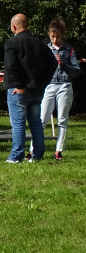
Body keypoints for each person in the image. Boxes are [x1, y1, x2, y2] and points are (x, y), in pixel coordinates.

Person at [4, 13, 55, 163]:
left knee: (18, 123)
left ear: (14, 27)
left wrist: (19, 85)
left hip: (19, 90)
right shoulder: (39, 43)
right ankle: (37, 154)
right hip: (36, 89)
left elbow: (11, 66)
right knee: (35, 122)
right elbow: (53, 64)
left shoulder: (12, 43)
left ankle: (16, 156)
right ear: (27, 26)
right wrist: (43, 83)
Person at [40, 18, 80, 161]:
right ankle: (34, 149)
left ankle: (59, 150)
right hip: (49, 85)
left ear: (63, 35)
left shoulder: (69, 49)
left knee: (62, 119)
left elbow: (76, 70)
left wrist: (64, 65)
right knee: (42, 119)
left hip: (65, 85)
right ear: (49, 35)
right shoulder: (46, 49)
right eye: (52, 36)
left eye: (58, 37)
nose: (55, 39)